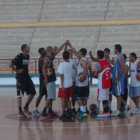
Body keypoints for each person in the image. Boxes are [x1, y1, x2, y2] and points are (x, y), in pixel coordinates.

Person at [41, 41, 68, 118]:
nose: (54, 50)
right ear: (49, 50)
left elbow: (58, 50)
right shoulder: (47, 58)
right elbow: (43, 68)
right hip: (49, 80)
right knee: (50, 97)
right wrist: (46, 78)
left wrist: (64, 44)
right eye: (53, 49)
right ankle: (43, 112)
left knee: (51, 96)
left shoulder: (51, 57)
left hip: (51, 79)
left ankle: (50, 110)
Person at [9, 44, 36, 118]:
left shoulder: (27, 56)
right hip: (20, 78)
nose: (29, 48)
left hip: (27, 77)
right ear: (24, 49)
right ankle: (20, 112)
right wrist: (17, 70)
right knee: (20, 95)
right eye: (27, 47)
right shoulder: (19, 56)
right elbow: (10, 64)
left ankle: (26, 107)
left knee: (33, 92)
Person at [67, 41, 89, 119]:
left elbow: (85, 68)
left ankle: (83, 112)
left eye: (78, 52)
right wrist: (70, 46)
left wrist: (83, 76)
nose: (77, 53)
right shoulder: (85, 59)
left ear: (81, 53)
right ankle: (84, 112)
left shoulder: (82, 61)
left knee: (79, 97)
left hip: (81, 82)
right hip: (85, 83)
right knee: (83, 97)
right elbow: (76, 53)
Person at [93, 50, 111, 117]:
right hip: (108, 82)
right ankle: (107, 111)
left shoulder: (98, 63)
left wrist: (91, 73)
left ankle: (105, 112)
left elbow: (95, 75)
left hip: (102, 83)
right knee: (106, 97)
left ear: (97, 56)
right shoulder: (107, 61)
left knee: (103, 98)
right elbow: (110, 69)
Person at [58, 51, 74, 120]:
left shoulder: (61, 64)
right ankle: (69, 111)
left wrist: (62, 85)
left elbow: (61, 75)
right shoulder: (70, 63)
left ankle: (64, 113)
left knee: (63, 99)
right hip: (70, 83)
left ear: (62, 56)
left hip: (64, 84)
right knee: (68, 98)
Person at [111, 44, 125, 116]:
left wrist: (116, 78)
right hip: (116, 78)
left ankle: (118, 110)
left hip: (118, 79)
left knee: (118, 95)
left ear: (117, 49)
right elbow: (117, 67)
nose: (113, 50)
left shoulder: (120, 57)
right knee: (115, 93)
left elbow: (122, 68)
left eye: (114, 48)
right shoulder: (117, 57)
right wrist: (112, 62)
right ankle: (125, 105)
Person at [33, 48, 47, 115]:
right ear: (41, 52)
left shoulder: (45, 57)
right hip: (43, 78)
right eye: (44, 50)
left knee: (47, 94)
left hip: (46, 78)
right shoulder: (42, 59)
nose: (45, 51)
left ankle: (47, 109)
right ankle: (35, 108)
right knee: (41, 94)